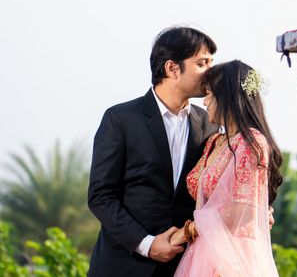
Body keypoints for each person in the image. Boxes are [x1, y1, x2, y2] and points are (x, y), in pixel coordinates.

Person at [87, 26, 218, 277]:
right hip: (121, 266)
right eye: (202, 63)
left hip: (182, 267)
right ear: (172, 68)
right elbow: (100, 196)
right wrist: (146, 244)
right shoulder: (120, 119)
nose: (212, 72)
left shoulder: (210, 124)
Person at [171, 60, 283, 276]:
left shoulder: (251, 142)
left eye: (210, 94)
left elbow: (243, 212)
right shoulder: (214, 141)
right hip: (201, 253)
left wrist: (187, 232)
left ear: (228, 98)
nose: (204, 102)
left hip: (230, 256)